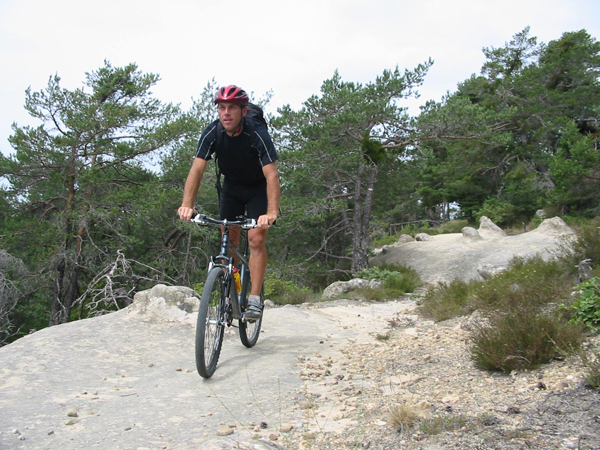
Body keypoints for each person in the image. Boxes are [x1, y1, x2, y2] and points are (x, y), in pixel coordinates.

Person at [178, 85, 280, 321]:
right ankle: (229, 293)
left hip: (258, 189)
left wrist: (272, 212)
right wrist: (187, 204)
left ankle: (254, 299)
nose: (226, 113)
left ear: (243, 111)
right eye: (222, 108)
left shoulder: (256, 133)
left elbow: (272, 175)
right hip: (232, 188)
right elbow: (197, 169)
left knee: (255, 239)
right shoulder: (213, 133)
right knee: (228, 239)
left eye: (232, 108)